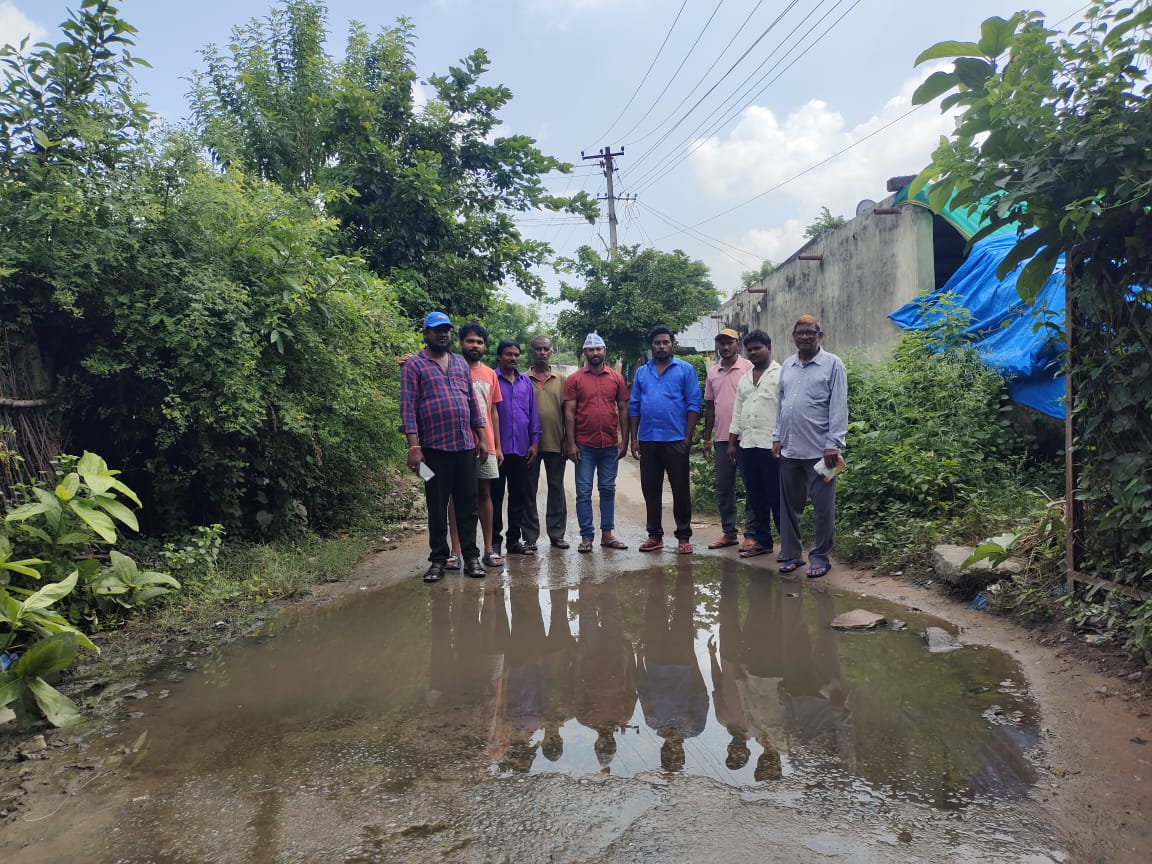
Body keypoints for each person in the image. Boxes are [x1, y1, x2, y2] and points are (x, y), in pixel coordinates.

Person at [400, 311, 487, 582]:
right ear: (426, 334)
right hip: (433, 450)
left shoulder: (460, 363)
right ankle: (438, 560)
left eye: (446, 330)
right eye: (437, 330)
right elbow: (408, 409)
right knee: (436, 506)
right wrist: (414, 448)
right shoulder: (414, 366)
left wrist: (482, 436)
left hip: (464, 447)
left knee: (468, 505)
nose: (443, 334)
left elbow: (472, 403)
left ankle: (471, 557)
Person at [772, 315, 848, 579]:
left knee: (823, 509)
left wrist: (833, 444)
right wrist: (777, 437)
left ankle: (820, 557)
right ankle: (792, 555)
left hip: (821, 453)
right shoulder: (788, 365)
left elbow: (839, 406)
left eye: (810, 332)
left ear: (820, 336)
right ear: (793, 336)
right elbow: (781, 405)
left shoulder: (833, 365)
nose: (804, 337)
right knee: (788, 509)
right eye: (800, 332)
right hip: (790, 450)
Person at [629, 326, 702, 555]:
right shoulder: (642, 373)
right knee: (650, 490)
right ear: (651, 346)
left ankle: (683, 536)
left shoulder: (685, 370)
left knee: (680, 489)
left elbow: (694, 404)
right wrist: (634, 438)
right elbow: (634, 405)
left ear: (672, 344)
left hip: (676, 439)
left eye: (665, 342)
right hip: (648, 439)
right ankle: (654, 536)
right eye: (657, 343)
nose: (661, 346)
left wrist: (687, 438)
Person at [564, 332, 630, 554]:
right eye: (591, 349)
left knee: (607, 489)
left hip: (609, 444)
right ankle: (586, 537)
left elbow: (623, 409)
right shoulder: (574, 379)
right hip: (584, 444)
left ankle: (607, 534)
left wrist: (625, 441)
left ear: (604, 351)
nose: (595, 353)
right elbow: (569, 412)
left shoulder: (616, 378)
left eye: (598, 349)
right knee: (583, 491)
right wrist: (571, 443)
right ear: (585, 352)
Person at [728, 330, 783, 559]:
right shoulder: (745, 379)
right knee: (756, 496)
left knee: (777, 497)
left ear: (768, 348)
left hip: (772, 446)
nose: (753, 353)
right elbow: (738, 412)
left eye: (758, 348)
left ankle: (789, 545)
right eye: (750, 350)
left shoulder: (781, 375)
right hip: (748, 445)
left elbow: (785, 411)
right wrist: (732, 442)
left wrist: (781, 439)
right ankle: (762, 541)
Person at [702, 327, 756, 551]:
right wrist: (706, 439)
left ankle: (752, 534)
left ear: (738, 344)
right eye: (722, 343)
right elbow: (710, 408)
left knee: (752, 486)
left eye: (729, 343)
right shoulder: (713, 372)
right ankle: (729, 532)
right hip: (722, 438)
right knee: (724, 487)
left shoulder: (749, 368)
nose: (725, 347)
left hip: (748, 438)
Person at [457, 323, 505, 569]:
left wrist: (497, 445)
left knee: (485, 494)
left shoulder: (490, 374)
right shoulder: (452, 368)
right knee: (456, 497)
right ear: (461, 343)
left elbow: (493, 411)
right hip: (457, 443)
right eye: (470, 341)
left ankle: (488, 549)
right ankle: (455, 551)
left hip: (486, 444)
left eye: (479, 342)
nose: (475, 345)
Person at [491, 340, 541, 556]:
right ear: (499, 356)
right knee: (495, 496)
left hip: (521, 448)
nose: (513, 358)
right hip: (498, 450)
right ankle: (494, 541)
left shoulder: (525, 382)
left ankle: (513, 540)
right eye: (508, 354)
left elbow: (533, 413)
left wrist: (534, 442)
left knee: (518, 496)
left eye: (516, 354)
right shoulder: (492, 379)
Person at [526, 335, 569, 549]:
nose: (542, 352)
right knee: (528, 490)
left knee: (556, 489)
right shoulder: (522, 379)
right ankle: (529, 537)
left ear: (551, 352)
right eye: (538, 349)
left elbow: (569, 412)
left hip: (556, 442)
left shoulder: (562, 380)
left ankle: (557, 534)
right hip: (528, 446)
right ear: (531, 352)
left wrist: (568, 439)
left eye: (546, 349)